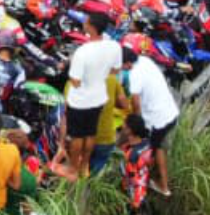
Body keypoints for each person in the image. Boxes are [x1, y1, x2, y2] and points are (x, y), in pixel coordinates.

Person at [62, 10, 120, 179]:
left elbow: (75, 81)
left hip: (81, 100)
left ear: (91, 27)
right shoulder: (113, 47)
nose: (84, 22)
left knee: (77, 135)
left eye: (86, 21)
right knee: (90, 133)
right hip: (99, 97)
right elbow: (115, 70)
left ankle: (73, 168)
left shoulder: (83, 52)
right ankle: (84, 166)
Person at [123, 43, 180, 198]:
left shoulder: (134, 75)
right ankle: (159, 182)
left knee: (148, 149)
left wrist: (136, 125)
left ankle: (152, 185)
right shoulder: (145, 61)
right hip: (170, 112)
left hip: (157, 119)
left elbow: (135, 103)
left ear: (127, 63)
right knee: (157, 146)